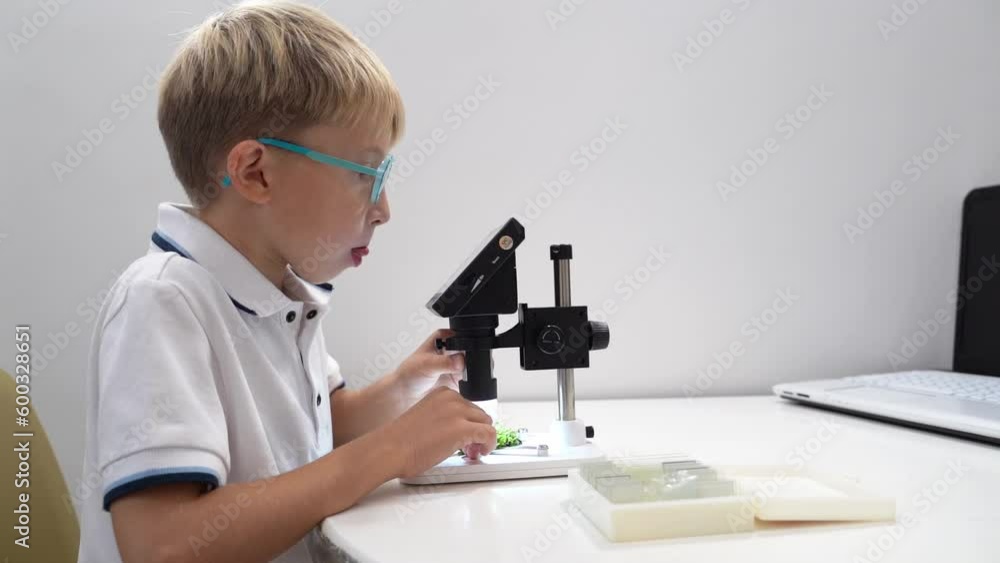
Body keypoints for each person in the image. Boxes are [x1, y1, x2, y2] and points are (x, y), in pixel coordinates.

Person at [76, 2, 496, 561]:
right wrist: (391, 450)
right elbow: (164, 544)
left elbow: (315, 430)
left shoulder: (279, 292)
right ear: (255, 173)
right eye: (366, 176)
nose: (383, 210)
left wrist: (402, 388)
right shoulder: (163, 301)